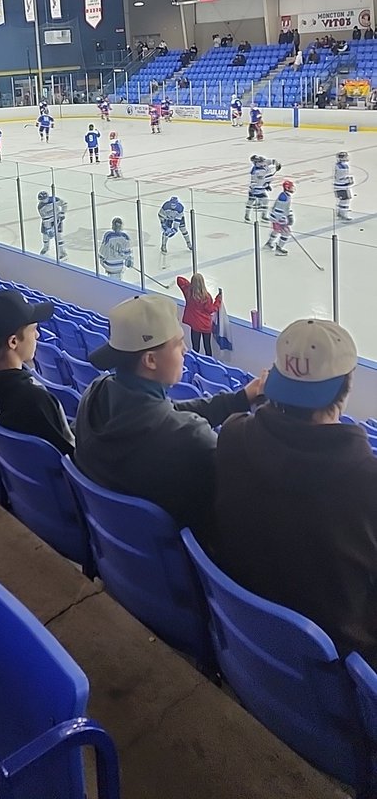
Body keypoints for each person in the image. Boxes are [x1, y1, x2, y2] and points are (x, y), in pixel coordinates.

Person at [215, 318, 377, 665]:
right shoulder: (368, 482)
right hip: (339, 666)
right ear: (345, 388)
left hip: (249, 641)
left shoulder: (232, 435)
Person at [74, 294, 266, 549]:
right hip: (184, 565)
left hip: (122, 551)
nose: (185, 350)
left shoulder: (95, 394)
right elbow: (251, 485)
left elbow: (166, 414)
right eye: (178, 344)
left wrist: (239, 399)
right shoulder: (188, 439)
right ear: (150, 360)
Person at [0, 291, 74, 455]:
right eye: (33, 329)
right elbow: (69, 457)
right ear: (13, 341)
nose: (38, 335)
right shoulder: (35, 400)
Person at [177, 273, 222, 355]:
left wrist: (191, 286)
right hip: (205, 325)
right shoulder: (206, 297)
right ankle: (208, 363)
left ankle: (195, 364)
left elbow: (179, 279)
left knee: (195, 347)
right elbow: (211, 309)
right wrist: (218, 300)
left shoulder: (188, 292)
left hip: (195, 325)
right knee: (207, 347)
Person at [265, 180, 295, 255]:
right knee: (286, 233)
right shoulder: (285, 197)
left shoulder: (284, 195)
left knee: (276, 230)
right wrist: (286, 219)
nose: (292, 188)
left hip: (275, 217)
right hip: (279, 218)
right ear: (287, 188)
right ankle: (279, 248)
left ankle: (269, 243)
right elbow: (282, 209)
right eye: (291, 187)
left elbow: (283, 208)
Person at [37, 190, 67, 260]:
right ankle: (46, 248)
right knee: (45, 235)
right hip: (48, 221)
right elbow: (45, 219)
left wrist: (62, 212)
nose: (43, 201)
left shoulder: (55, 200)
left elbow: (64, 204)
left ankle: (62, 252)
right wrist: (48, 229)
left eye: (44, 199)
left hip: (57, 219)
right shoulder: (41, 207)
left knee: (58, 235)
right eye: (41, 200)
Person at [244, 156, 269, 223]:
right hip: (256, 189)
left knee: (264, 200)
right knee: (251, 202)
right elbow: (255, 181)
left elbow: (263, 179)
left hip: (260, 189)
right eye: (260, 162)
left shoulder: (261, 169)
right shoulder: (256, 171)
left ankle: (263, 215)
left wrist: (266, 184)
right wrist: (253, 188)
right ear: (256, 163)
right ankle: (247, 215)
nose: (262, 163)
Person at [334, 151, 354, 221]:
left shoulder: (339, 164)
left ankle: (340, 212)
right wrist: (349, 179)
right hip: (342, 185)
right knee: (345, 200)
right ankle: (344, 214)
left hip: (339, 184)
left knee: (343, 199)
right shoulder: (343, 165)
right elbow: (344, 176)